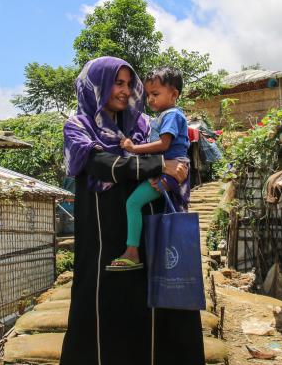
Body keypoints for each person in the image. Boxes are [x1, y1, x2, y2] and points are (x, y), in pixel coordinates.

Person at [61, 56, 205, 365]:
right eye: (117, 82)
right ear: (97, 85)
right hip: (102, 242)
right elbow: (99, 165)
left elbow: (174, 159)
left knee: (155, 316)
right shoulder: (79, 126)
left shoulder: (143, 124)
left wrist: (164, 167)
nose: (126, 91)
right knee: (104, 314)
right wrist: (156, 164)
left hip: (148, 237)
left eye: (129, 84)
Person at [108, 67, 190, 271]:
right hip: (165, 168)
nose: (150, 100)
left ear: (174, 95)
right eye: (148, 95)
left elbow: (164, 145)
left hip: (171, 170)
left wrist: (134, 148)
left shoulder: (171, 115)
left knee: (133, 204)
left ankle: (132, 251)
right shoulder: (163, 116)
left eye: (156, 94)